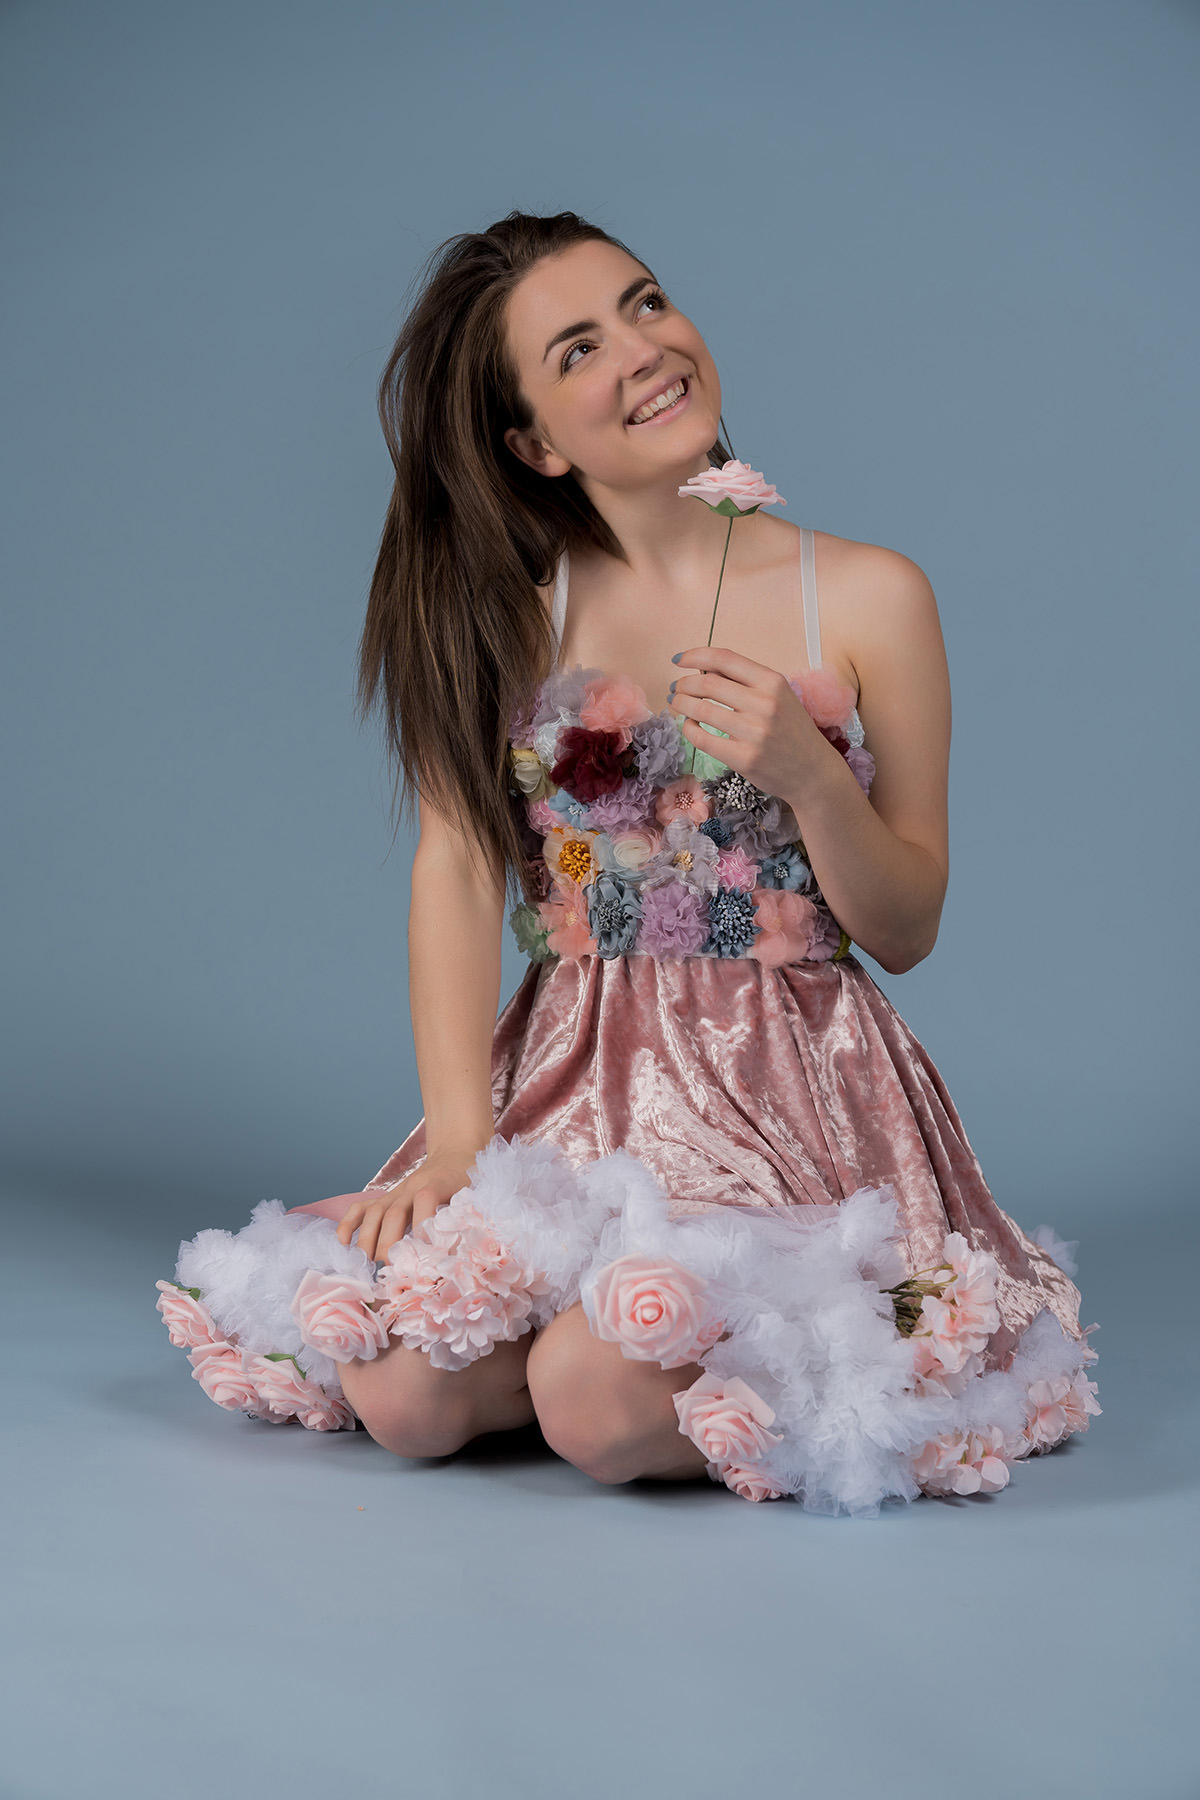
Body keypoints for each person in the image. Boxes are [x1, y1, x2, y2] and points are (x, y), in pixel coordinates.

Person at [156, 211, 1098, 1514]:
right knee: (407, 1396)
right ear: (535, 443)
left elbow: (908, 923)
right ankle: (587, 1344)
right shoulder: (510, 615)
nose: (644, 350)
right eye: (580, 348)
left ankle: (702, 1361)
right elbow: (454, 869)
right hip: (573, 1082)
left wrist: (812, 775)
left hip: (785, 1100)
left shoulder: (870, 595)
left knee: (594, 1404)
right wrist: (460, 1146)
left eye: (646, 303)